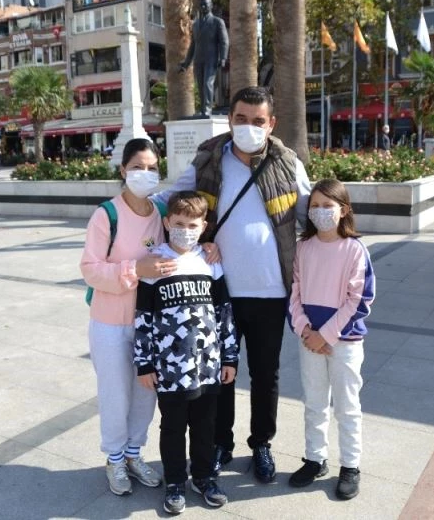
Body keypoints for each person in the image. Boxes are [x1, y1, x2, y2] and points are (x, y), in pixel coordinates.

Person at [154, 86, 312, 484]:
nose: (249, 127)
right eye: (241, 119)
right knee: (218, 374)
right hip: (218, 292)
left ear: (271, 123)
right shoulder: (209, 159)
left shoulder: (287, 162)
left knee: (265, 374)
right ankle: (220, 443)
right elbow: (174, 199)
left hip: (271, 291)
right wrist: (129, 207)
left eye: (258, 121)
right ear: (230, 119)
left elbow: (310, 210)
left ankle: (261, 443)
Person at [80, 138, 175, 497]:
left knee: (145, 392)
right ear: (122, 170)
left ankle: (135, 453)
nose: (144, 174)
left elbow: (176, 243)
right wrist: (135, 269)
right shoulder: (107, 214)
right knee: (115, 394)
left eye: (152, 168)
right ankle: (115, 459)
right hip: (110, 323)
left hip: (149, 323)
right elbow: (90, 269)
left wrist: (207, 247)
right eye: (137, 167)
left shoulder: (161, 212)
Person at [135, 191, 238, 514]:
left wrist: (230, 357)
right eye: (179, 224)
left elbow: (224, 312)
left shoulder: (210, 263)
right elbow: (143, 318)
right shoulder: (156, 263)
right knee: (173, 427)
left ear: (203, 227)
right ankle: (176, 481)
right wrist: (144, 363)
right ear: (167, 223)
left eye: (193, 225)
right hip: (169, 369)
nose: (185, 230)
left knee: (206, 426)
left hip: (207, 366)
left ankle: (204, 477)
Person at [287, 178, 375, 500]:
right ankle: (315, 458)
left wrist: (325, 335)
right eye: (315, 206)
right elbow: (293, 293)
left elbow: (359, 299)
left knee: (347, 406)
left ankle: (350, 465)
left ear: (344, 210)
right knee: (314, 402)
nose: (321, 211)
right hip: (309, 339)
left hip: (344, 341)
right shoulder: (303, 248)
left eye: (328, 205)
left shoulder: (355, 249)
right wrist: (305, 330)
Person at [179, 0, 228, 117]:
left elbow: (224, 41)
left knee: (207, 83)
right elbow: (193, 45)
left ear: (211, 5)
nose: (203, 7)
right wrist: (186, 63)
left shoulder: (217, 22)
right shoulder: (195, 24)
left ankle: (207, 109)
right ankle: (202, 109)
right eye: (201, 5)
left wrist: (223, 58)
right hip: (198, 59)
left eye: (205, 4)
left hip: (211, 58)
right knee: (200, 86)